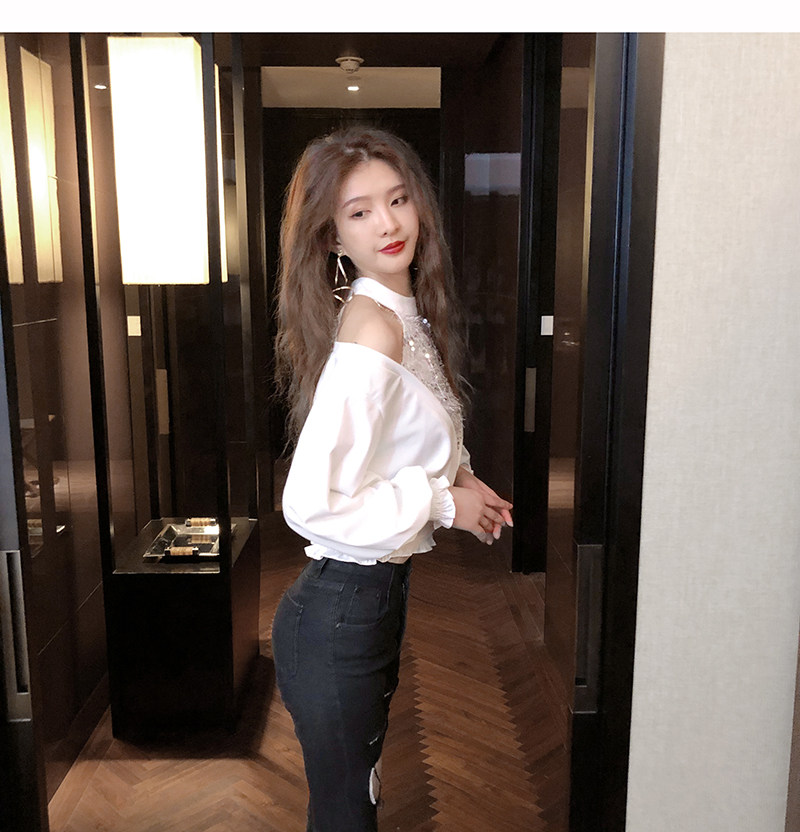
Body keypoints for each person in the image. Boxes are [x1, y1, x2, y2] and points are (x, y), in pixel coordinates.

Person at [270, 126, 513, 832]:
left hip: (368, 602)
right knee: (347, 814)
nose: (388, 222)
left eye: (398, 199)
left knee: (353, 807)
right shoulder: (374, 327)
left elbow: (402, 436)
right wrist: (442, 501)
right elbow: (310, 502)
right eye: (360, 211)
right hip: (340, 611)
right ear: (332, 237)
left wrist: (462, 476)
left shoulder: (405, 314)